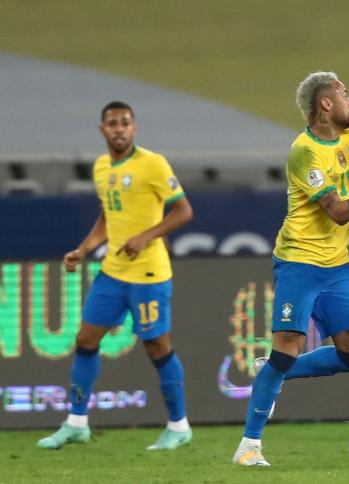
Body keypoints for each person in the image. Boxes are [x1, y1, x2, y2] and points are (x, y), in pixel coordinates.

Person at [232, 71, 349, 466]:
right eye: (345, 94)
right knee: (287, 349)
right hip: (299, 262)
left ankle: (276, 371)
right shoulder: (305, 151)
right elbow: (337, 212)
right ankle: (249, 447)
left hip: (335, 267)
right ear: (326, 104)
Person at [37, 101, 194, 450]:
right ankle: (76, 422)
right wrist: (84, 248)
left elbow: (184, 211)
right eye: (112, 123)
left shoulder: (153, 164)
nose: (119, 128)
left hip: (150, 273)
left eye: (125, 123)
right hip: (112, 272)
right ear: (102, 130)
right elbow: (109, 216)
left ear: (134, 128)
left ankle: (179, 426)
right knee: (85, 339)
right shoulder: (101, 166)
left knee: (157, 347)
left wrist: (146, 236)